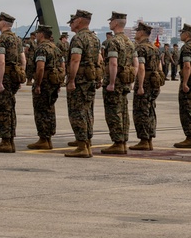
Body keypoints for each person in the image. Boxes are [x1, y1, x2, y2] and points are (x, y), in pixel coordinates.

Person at [65, 10, 101, 158]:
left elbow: (75, 59)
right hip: (90, 79)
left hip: (80, 81)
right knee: (88, 112)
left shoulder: (78, 38)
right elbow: (98, 60)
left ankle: (81, 146)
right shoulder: (94, 38)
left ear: (79, 21)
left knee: (77, 112)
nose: (72, 23)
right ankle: (87, 144)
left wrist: (71, 80)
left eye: (73, 21)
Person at [101, 11, 137, 155]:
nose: (109, 23)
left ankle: (117, 142)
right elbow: (135, 64)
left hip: (115, 83)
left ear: (115, 23)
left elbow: (113, 63)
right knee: (123, 112)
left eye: (111, 21)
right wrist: (130, 79)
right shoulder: (129, 42)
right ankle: (123, 142)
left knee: (113, 112)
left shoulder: (113, 42)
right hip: (125, 82)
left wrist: (111, 83)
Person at [0, 12, 25, 154]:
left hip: (5, 77)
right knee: (10, 108)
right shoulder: (17, 39)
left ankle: (5, 142)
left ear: (3, 23)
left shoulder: (1, 39)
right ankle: (10, 141)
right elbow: (23, 60)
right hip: (14, 77)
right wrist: (20, 77)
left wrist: (0, 82)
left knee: (2, 109)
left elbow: (1, 61)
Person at [27, 25, 64, 150]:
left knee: (41, 111)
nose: (36, 36)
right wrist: (59, 82)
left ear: (41, 34)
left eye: (38, 33)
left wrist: (38, 84)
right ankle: (48, 139)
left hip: (44, 83)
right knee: (49, 110)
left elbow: (40, 67)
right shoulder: (55, 48)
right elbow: (62, 66)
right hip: (53, 82)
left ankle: (43, 139)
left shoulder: (42, 48)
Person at [131, 21, 163, 150]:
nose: (135, 33)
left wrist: (140, 86)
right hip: (154, 82)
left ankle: (144, 140)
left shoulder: (141, 48)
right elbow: (159, 67)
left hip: (145, 83)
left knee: (141, 111)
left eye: (137, 31)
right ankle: (149, 139)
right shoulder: (154, 48)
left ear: (141, 33)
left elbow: (141, 68)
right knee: (150, 110)